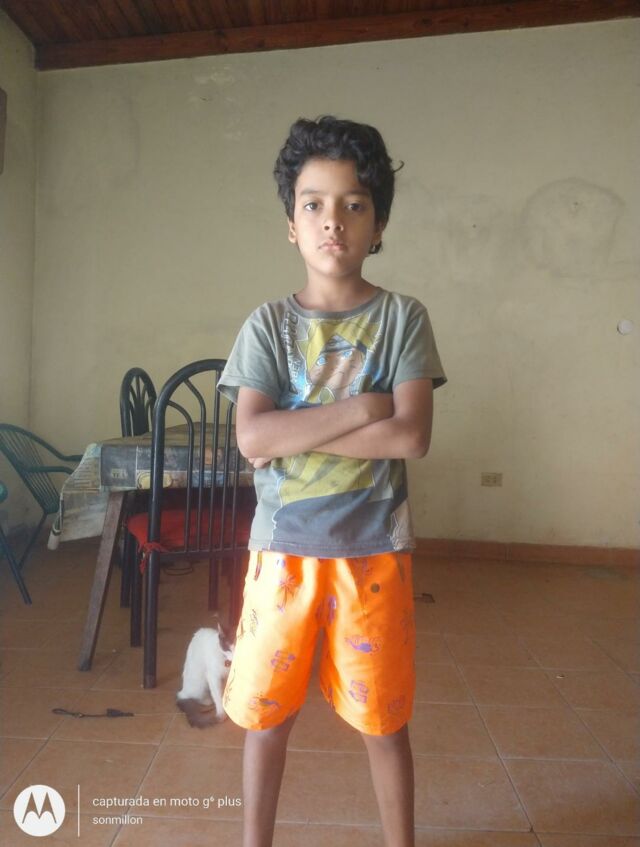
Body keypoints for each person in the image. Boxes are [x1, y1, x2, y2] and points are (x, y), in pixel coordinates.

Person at [218, 115, 447, 847]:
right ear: (291, 223)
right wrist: (363, 407)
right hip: (281, 553)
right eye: (313, 203)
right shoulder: (266, 326)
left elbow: (410, 436)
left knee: (384, 722)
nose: (332, 221)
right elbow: (253, 438)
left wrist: (300, 425)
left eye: (354, 204)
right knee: (267, 719)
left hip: (374, 555)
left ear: (379, 224)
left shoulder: (403, 318)